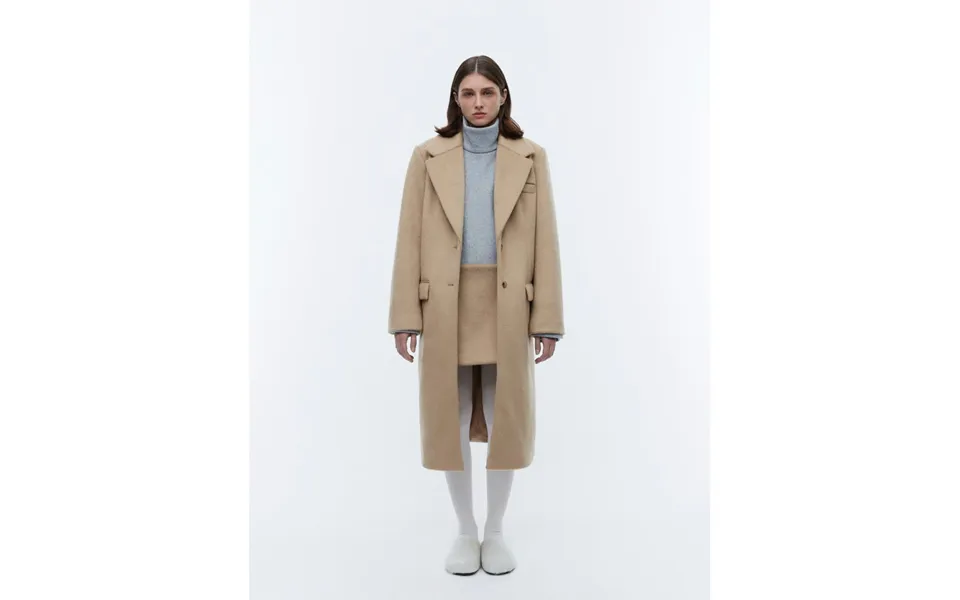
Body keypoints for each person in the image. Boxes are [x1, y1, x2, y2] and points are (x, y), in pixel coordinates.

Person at [388, 55, 565, 576]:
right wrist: (404, 316)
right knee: (453, 415)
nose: (478, 102)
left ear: (503, 96)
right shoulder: (427, 157)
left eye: (488, 92)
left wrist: (547, 319)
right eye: (468, 93)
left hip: (509, 304)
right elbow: (408, 238)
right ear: (456, 99)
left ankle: (496, 530)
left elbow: (546, 241)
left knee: (505, 417)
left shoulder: (531, 156)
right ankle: (466, 529)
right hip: (446, 303)